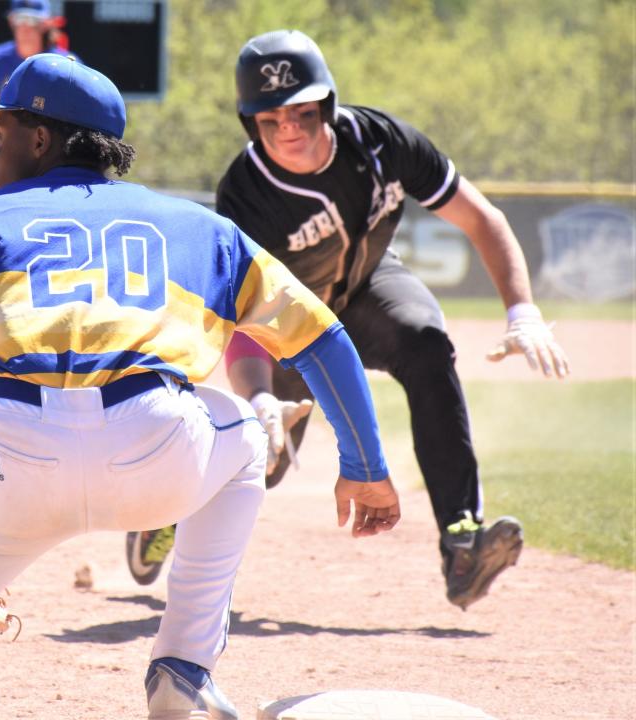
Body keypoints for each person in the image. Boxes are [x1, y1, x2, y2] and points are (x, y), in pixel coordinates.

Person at [0, 54, 401, 720]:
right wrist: (365, 467)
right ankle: (183, 671)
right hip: (157, 446)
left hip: (8, 459)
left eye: (1, 132)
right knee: (245, 436)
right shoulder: (203, 228)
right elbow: (322, 340)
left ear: (40, 138)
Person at [126, 29, 570, 612]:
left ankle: (462, 542)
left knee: (426, 345)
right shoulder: (246, 192)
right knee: (267, 453)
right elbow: (239, 313)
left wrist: (523, 310)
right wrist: (259, 397)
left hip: (366, 287)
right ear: (249, 122)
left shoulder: (382, 142)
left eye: (303, 111)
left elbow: (481, 218)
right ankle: (170, 515)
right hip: (290, 321)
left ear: (327, 105)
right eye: (269, 117)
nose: (288, 127)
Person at [0, 0, 78, 153]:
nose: (25, 27)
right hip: (9, 151)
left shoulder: (68, 63)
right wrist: (0, 159)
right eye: (20, 19)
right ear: (11, 22)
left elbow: (76, 121)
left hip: (55, 154)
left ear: (46, 24)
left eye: (33, 20)